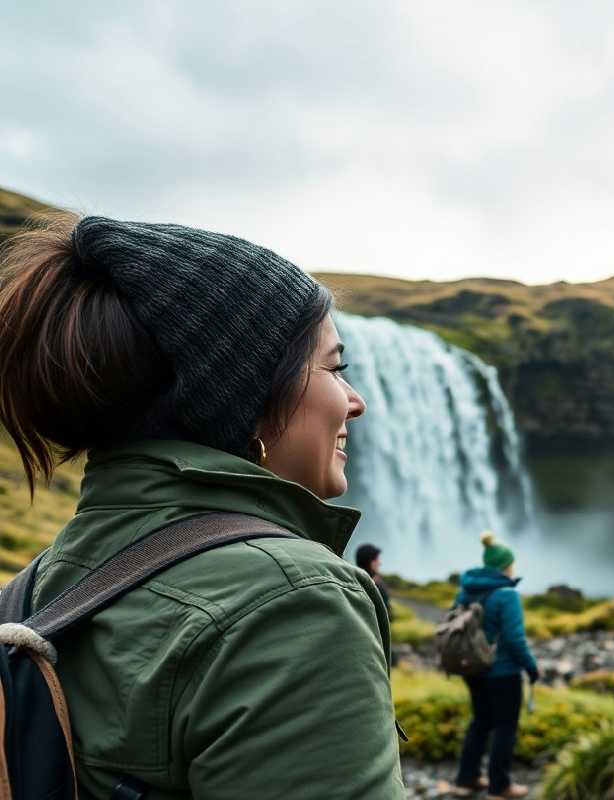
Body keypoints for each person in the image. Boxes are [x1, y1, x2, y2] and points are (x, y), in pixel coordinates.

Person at [0, 213, 405, 799]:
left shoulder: (32, 591)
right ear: (244, 392)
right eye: (334, 368)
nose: (355, 400)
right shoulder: (292, 603)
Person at [453, 531, 538, 800]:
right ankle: (499, 787)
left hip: (473, 668)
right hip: (503, 672)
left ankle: (466, 780)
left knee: (481, 721)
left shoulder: (467, 589)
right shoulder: (507, 594)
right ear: (506, 565)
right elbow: (514, 638)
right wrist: (531, 667)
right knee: (505, 727)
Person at [357, 543, 392, 608]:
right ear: (371, 563)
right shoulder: (376, 588)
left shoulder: (355, 584)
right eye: (378, 559)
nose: (380, 563)